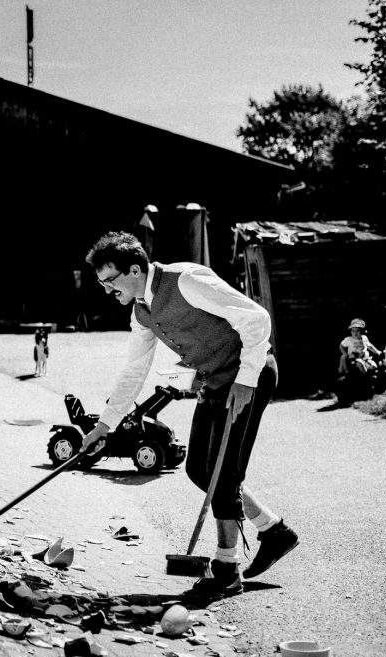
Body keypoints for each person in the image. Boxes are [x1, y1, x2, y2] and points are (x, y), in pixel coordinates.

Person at [80, 232, 298, 598]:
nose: (106, 291)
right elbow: (134, 370)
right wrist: (104, 426)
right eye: (101, 283)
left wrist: (245, 380)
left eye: (109, 281)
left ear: (134, 270)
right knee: (200, 469)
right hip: (215, 383)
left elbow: (257, 318)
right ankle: (273, 530)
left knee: (224, 474)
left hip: (250, 375)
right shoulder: (141, 310)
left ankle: (226, 569)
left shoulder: (186, 280)